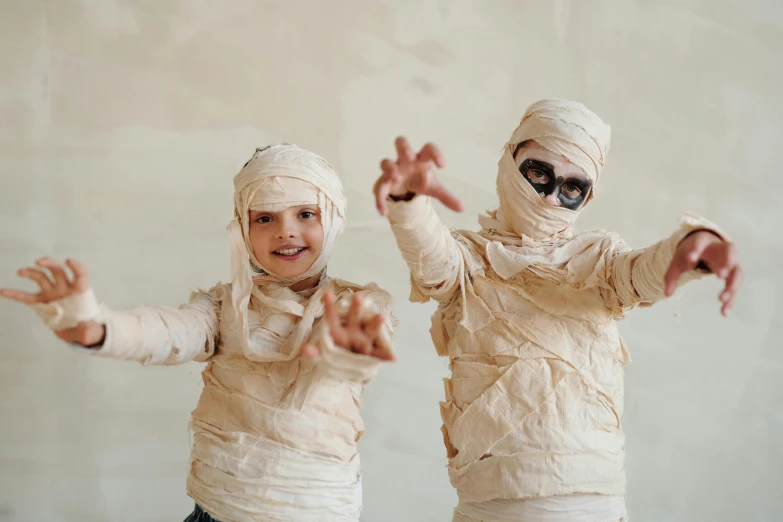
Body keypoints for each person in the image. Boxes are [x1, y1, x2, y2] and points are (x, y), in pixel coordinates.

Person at [372, 99, 742, 521]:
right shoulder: (470, 259)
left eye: (571, 188)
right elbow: (434, 262)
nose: (550, 199)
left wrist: (692, 248)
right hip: (489, 506)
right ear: (510, 163)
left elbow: (640, 273)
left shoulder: (598, 260)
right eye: (538, 174)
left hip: (590, 501)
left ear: (587, 195)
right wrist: (408, 203)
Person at [2, 143, 396, 522]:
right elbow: (170, 331)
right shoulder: (223, 306)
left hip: (319, 510)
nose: (285, 231)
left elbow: (360, 350)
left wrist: (351, 351)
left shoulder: (360, 306)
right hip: (215, 510)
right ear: (242, 229)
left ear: (335, 217)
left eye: (306, 214)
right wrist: (97, 326)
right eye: (264, 218)